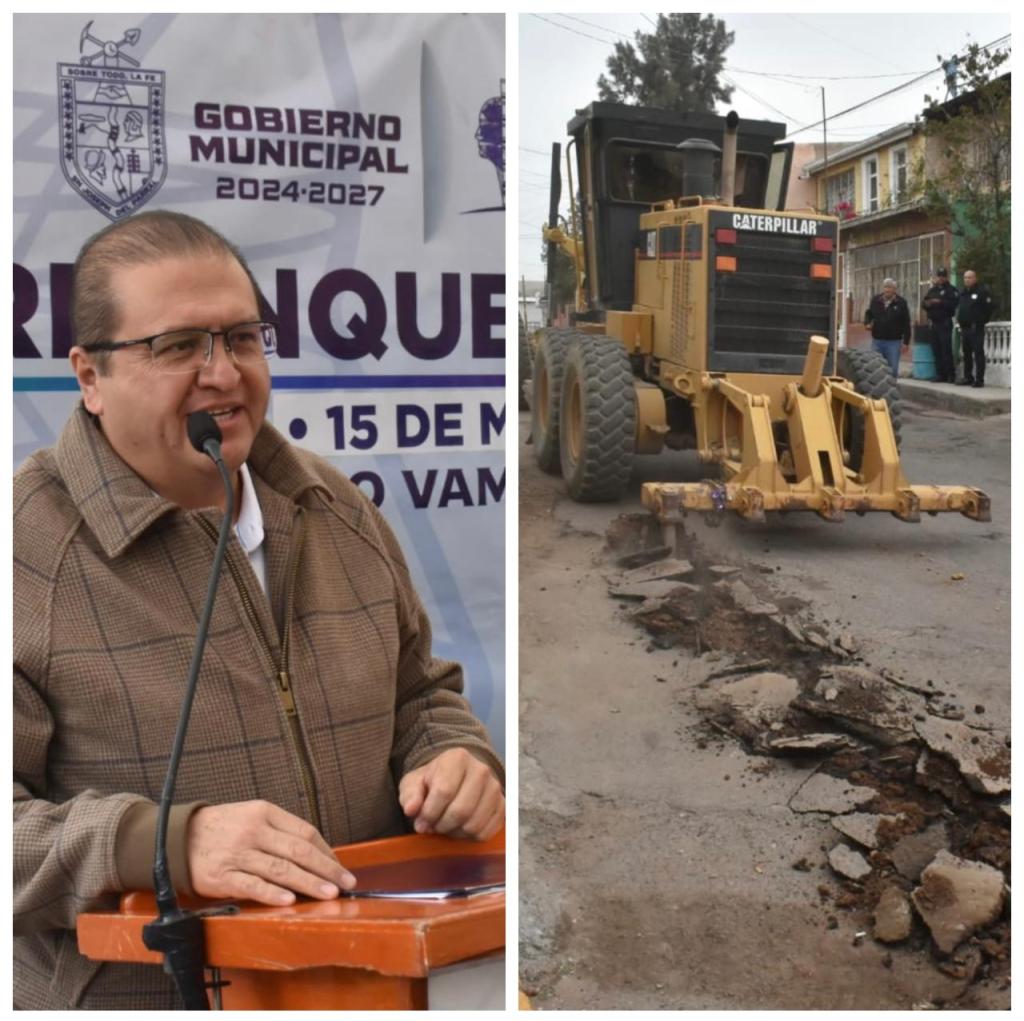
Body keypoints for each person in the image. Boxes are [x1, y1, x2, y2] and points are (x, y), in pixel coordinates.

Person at [13, 211, 505, 1010]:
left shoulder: (331, 503)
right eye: (178, 347)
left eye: (242, 337)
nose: (223, 374)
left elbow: (423, 694)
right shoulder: (26, 556)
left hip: (375, 988)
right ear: (89, 376)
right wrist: (164, 845)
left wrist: (455, 759)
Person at [864, 278, 911, 378]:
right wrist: (867, 323)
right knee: (875, 368)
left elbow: (906, 323)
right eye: (885, 287)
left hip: (894, 342)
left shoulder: (901, 303)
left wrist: (906, 342)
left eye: (889, 287)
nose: (887, 290)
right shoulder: (876, 300)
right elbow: (869, 314)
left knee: (892, 370)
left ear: (895, 289)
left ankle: (891, 390)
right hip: (877, 341)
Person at [955, 268, 995, 388]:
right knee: (966, 354)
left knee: (978, 353)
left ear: (975, 278)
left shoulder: (982, 291)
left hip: (976, 327)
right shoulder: (963, 292)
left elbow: (989, 307)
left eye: (969, 277)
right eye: (965, 278)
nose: (967, 280)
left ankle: (979, 379)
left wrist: (981, 321)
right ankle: (968, 377)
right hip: (965, 328)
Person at [921, 267, 958, 383]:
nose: (940, 278)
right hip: (934, 323)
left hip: (945, 322)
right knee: (936, 350)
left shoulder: (951, 290)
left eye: (943, 276)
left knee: (946, 349)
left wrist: (940, 302)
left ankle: (950, 375)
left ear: (946, 277)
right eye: (939, 276)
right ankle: (940, 374)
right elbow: (924, 303)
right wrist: (927, 304)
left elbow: (954, 304)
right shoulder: (933, 290)